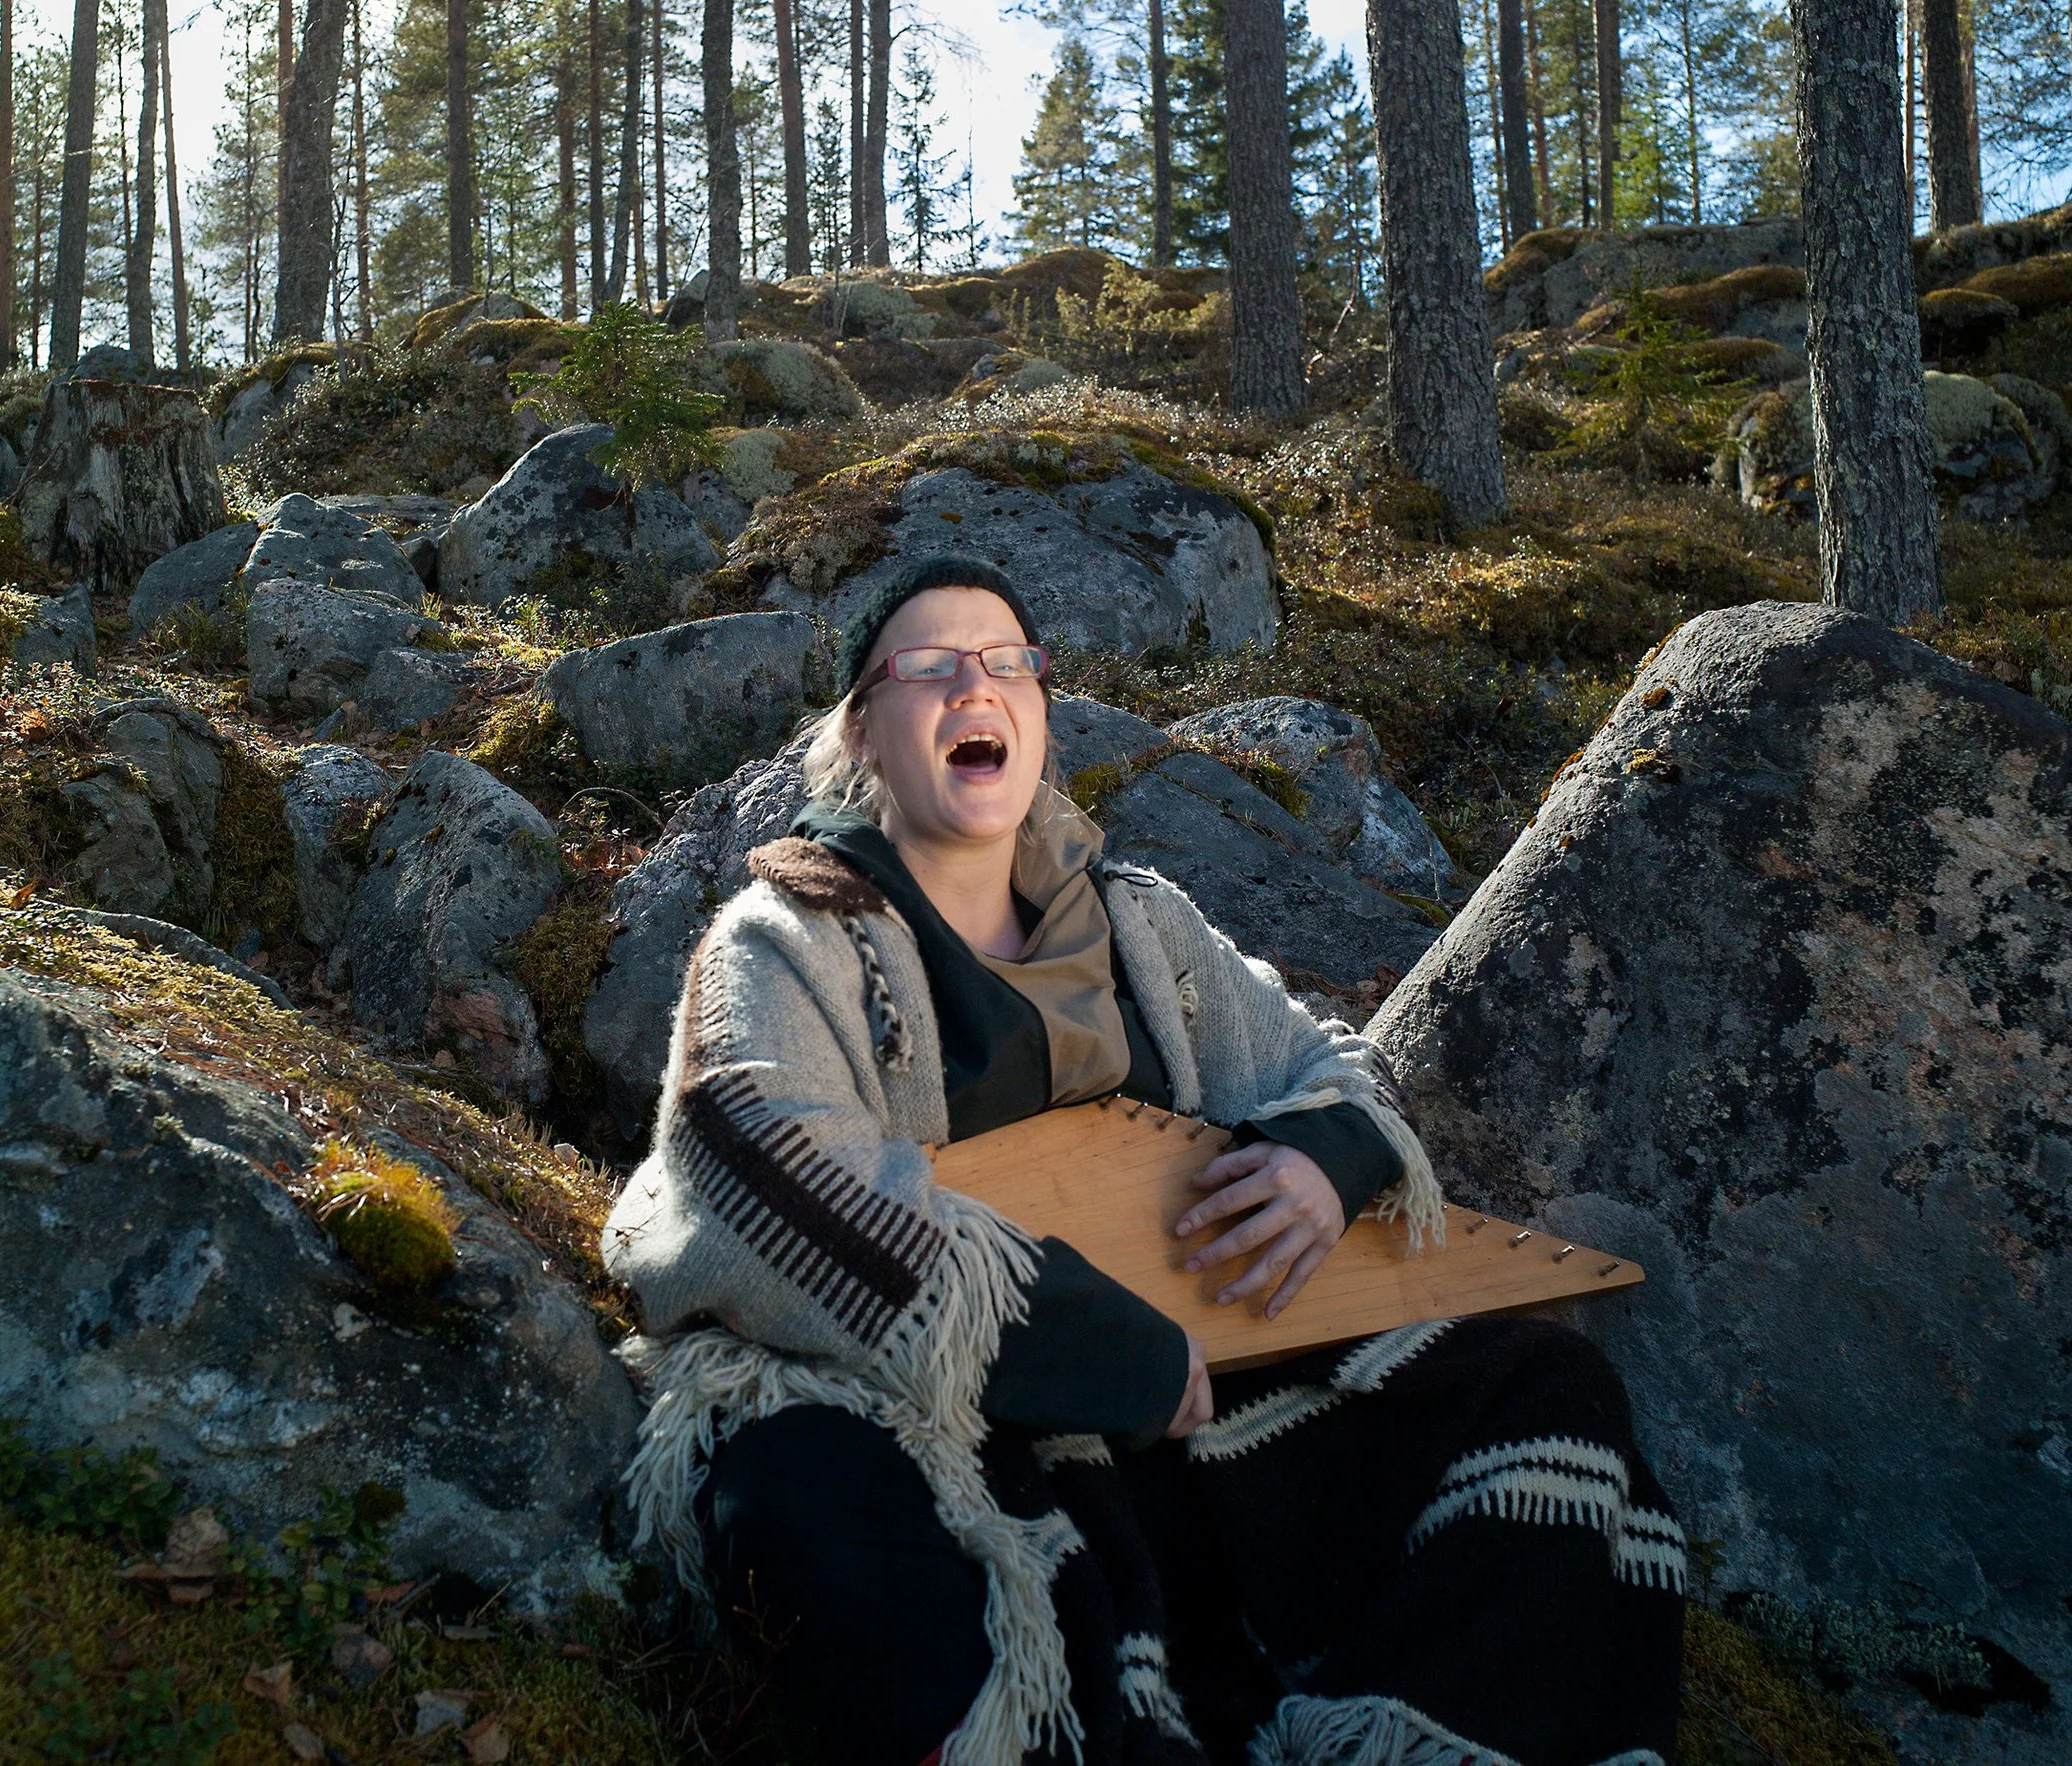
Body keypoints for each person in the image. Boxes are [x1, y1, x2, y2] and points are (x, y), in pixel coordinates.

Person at [603, 556, 1685, 1766]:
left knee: (1537, 1388)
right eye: (929, 667)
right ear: (863, 726)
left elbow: (1326, 1061)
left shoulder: (1137, 920)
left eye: (1007, 662)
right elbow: (754, 1168)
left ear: (1039, 713)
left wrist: (1323, 1161)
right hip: (928, 1403)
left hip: (1190, 1395)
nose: (978, 686)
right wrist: (1088, 1345)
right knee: (792, 1488)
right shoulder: (787, 931)